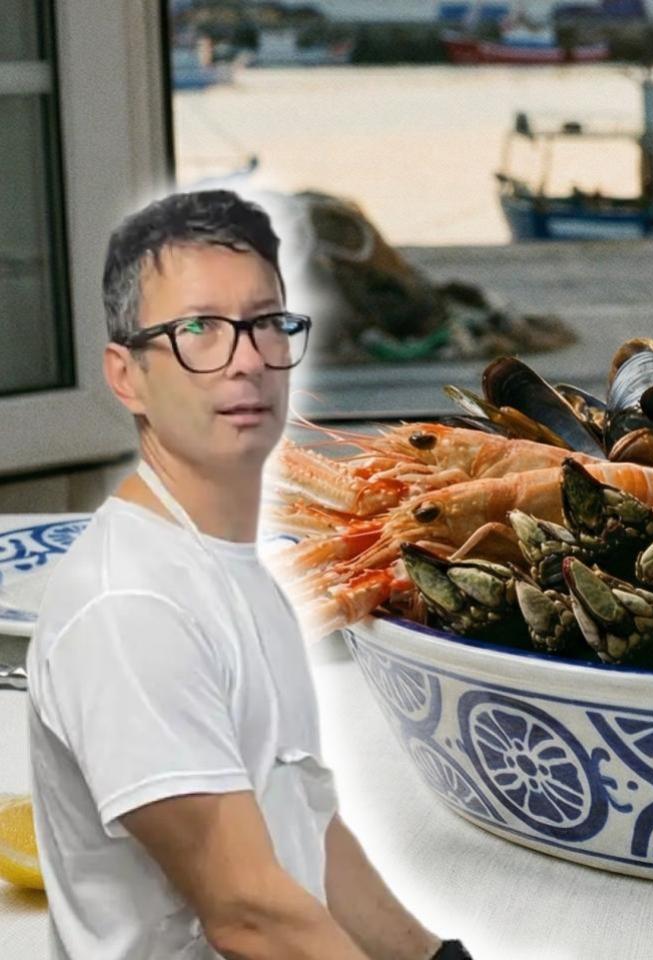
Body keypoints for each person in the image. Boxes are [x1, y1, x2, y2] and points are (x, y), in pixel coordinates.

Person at [25, 190, 470, 959]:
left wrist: (438, 959)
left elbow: (308, 832)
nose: (247, 359)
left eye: (266, 323)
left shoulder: (235, 570)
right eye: (198, 329)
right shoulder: (130, 606)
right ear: (126, 376)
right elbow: (246, 912)